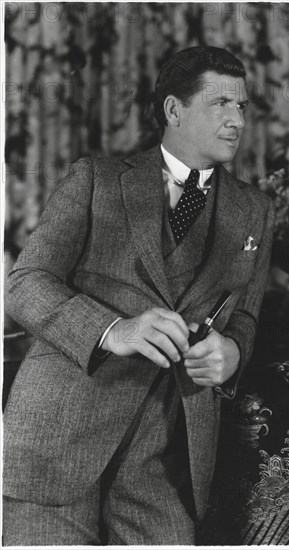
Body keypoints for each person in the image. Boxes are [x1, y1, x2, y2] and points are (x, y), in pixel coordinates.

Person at [3, 46, 274, 545]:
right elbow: (24, 283)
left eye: (242, 107)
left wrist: (232, 353)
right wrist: (113, 330)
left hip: (165, 459)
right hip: (54, 442)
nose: (237, 119)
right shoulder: (96, 179)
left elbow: (246, 318)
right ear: (174, 110)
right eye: (221, 104)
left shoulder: (255, 211)